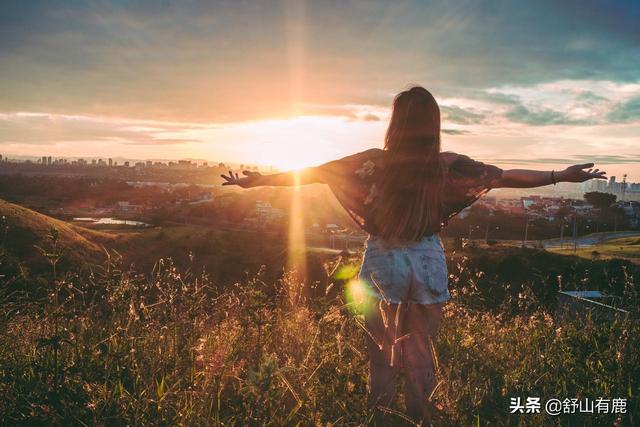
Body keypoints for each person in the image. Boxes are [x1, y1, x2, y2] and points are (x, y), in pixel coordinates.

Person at [221, 86, 606, 425]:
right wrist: (560, 174)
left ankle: (383, 420)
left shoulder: (373, 161)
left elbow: (313, 172)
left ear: (396, 122)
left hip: (383, 259)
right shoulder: (447, 164)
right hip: (427, 259)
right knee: (421, 351)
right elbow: (505, 175)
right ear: (433, 123)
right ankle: (420, 418)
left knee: (382, 355)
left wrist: (258, 181)